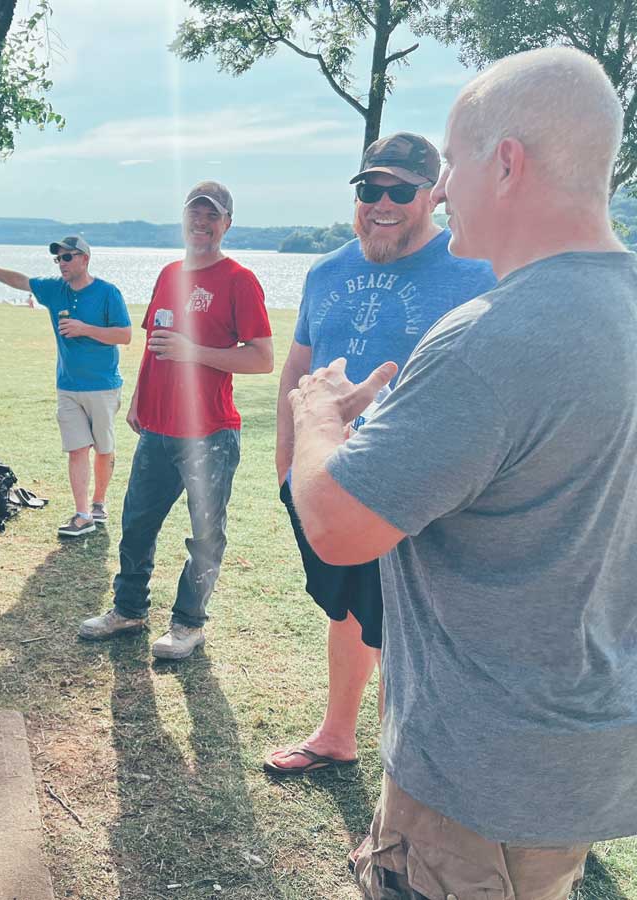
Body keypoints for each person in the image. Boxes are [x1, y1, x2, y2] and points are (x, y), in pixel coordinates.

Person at [289, 48, 637, 897]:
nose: (441, 192)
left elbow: (338, 526)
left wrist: (315, 419)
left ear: (507, 163)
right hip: (582, 752)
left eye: (452, 166)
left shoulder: (492, 335)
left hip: (478, 783)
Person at [263, 134, 495, 777]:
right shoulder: (326, 270)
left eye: (401, 190)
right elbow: (298, 366)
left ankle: (412, 774)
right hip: (333, 481)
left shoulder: (479, 270)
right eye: (370, 189)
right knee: (348, 609)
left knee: (412, 636)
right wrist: (288, 464)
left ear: (434, 195)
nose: (382, 203)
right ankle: (338, 734)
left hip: (428, 493)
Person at [79, 182, 274, 659]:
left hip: (210, 433)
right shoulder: (168, 274)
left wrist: (196, 353)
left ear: (227, 223)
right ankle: (129, 610)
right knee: (136, 524)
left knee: (205, 534)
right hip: (157, 430)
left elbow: (263, 359)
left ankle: (188, 624)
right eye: (195, 214)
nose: (201, 223)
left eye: (212, 215)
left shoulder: (239, 279)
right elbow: (154, 345)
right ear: (184, 219)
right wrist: (138, 401)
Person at [0, 236, 132, 537]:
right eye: (58, 259)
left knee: (104, 449)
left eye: (67, 258)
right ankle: (82, 514)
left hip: (103, 386)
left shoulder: (107, 293)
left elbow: (124, 335)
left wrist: (85, 329)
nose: (61, 263)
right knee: (77, 450)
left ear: (84, 259)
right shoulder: (53, 290)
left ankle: (99, 502)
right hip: (68, 387)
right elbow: (18, 280)